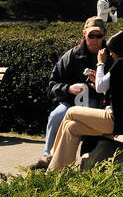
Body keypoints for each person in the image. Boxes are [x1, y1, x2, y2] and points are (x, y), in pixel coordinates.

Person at [48, 30, 123, 172]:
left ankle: (51, 156)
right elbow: (105, 87)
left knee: (71, 111)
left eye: (112, 50)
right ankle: (57, 171)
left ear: (119, 49)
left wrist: (100, 63)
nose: (110, 54)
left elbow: (99, 86)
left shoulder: (121, 63)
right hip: (120, 120)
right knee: (71, 127)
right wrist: (97, 81)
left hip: (117, 120)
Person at [31, 18, 110, 170]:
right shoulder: (72, 55)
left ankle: (71, 161)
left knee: (75, 122)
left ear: (104, 36)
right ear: (84, 34)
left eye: (98, 36)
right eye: (91, 36)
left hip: (97, 104)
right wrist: (68, 89)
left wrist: (98, 85)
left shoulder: (109, 56)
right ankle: (47, 158)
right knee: (56, 116)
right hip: (72, 102)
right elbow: (53, 82)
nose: (95, 40)